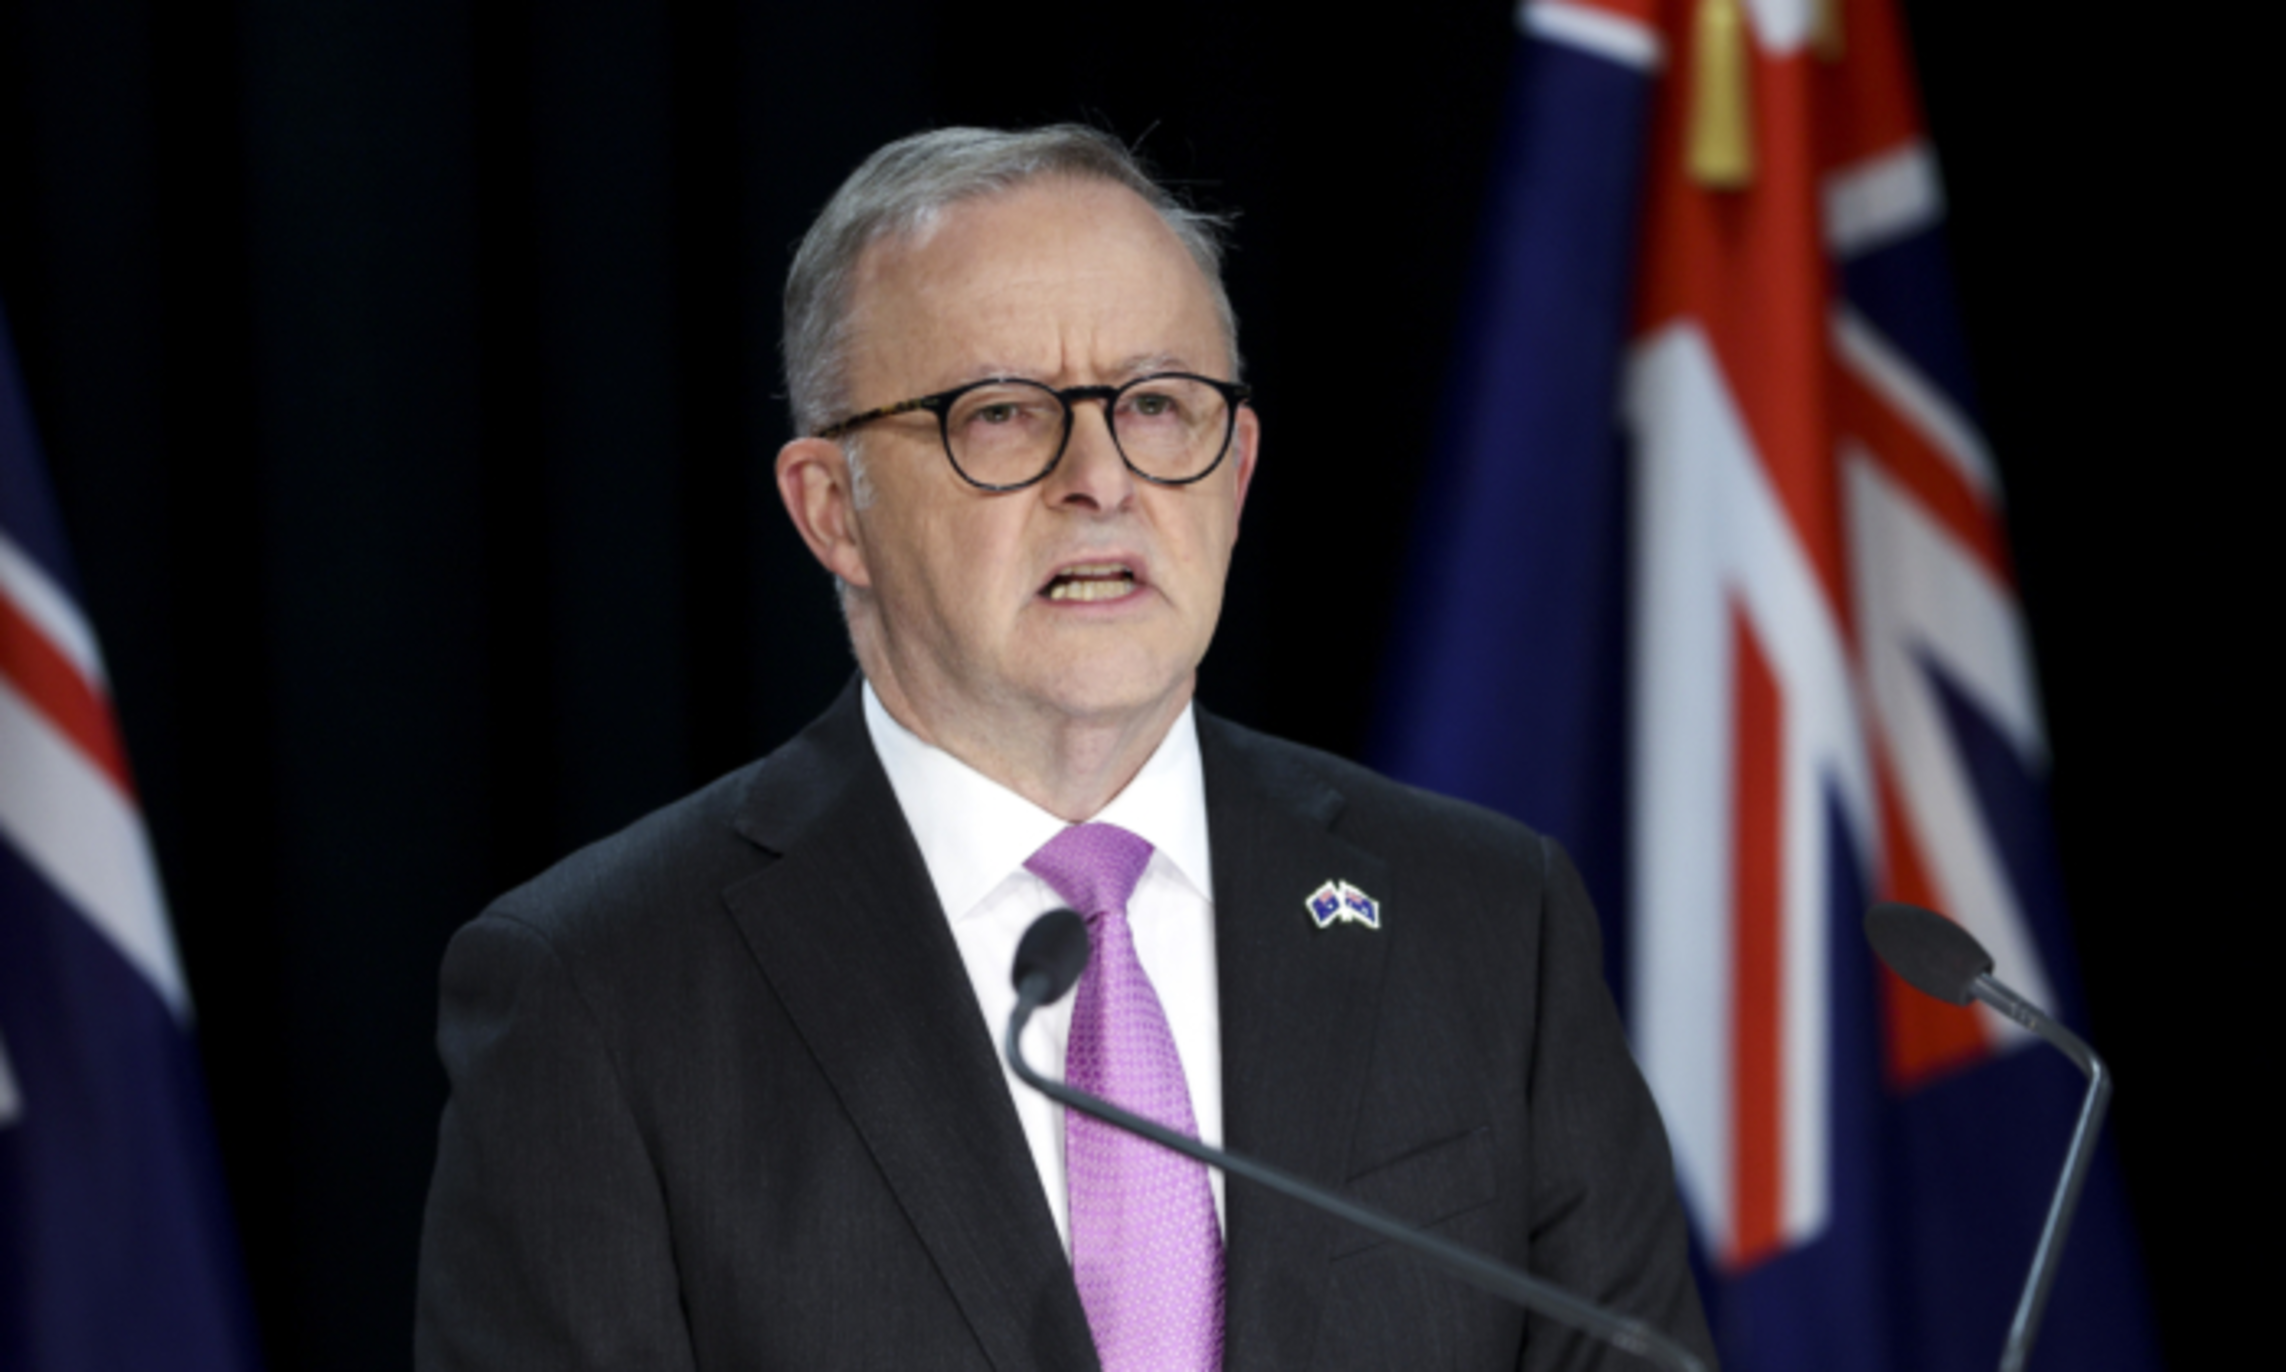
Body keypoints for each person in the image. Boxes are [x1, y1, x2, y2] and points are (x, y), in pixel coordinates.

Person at [414, 125, 1714, 1371]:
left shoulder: (1486, 923)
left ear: (1236, 471)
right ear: (832, 512)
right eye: (1000, 414)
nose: (1101, 477)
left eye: (1157, 405)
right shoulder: (598, 995)